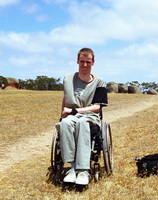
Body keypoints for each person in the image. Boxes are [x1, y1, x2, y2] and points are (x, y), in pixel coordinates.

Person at [56, 48, 108, 185]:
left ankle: (84, 170)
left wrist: (74, 111)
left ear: (93, 63)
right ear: (77, 61)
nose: (85, 65)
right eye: (82, 62)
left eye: (88, 62)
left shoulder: (99, 82)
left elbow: (97, 107)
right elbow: (65, 97)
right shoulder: (68, 79)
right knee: (65, 124)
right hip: (71, 115)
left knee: (82, 123)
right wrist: (63, 113)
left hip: (90, 116)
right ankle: (73, 167)